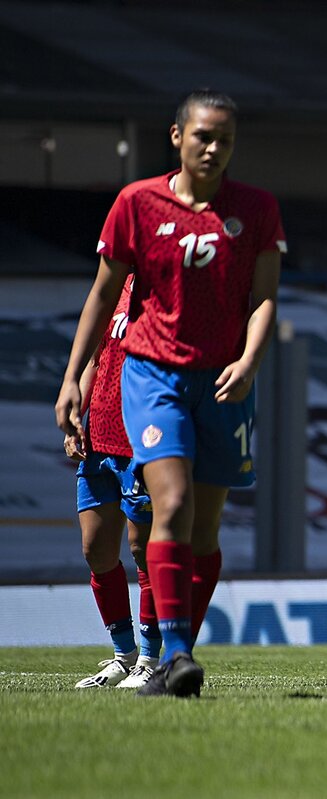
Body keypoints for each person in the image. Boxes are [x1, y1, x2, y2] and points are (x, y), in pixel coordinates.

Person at [55, 89, 285, 697]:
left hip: (224, 382)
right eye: (203, 136)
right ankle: (173, 657)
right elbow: (103, 296)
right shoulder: (136, 203)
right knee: (172, 505)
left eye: (225, 139)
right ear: (177, 137)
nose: (214, 147)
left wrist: (251, 359)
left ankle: (170, 655)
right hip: (153, 375)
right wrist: (73, 378)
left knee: (204, 533)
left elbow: (264, 298)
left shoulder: (257, 210)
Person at [68, 274, 161, 690]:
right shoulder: (117, 287)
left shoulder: (170, 292)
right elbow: (94, 359)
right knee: (96, 550)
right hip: (98, 439)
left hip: (141, 441)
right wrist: (76, 417)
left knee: (144, 551)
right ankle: (122, 655)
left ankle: (151, 658)